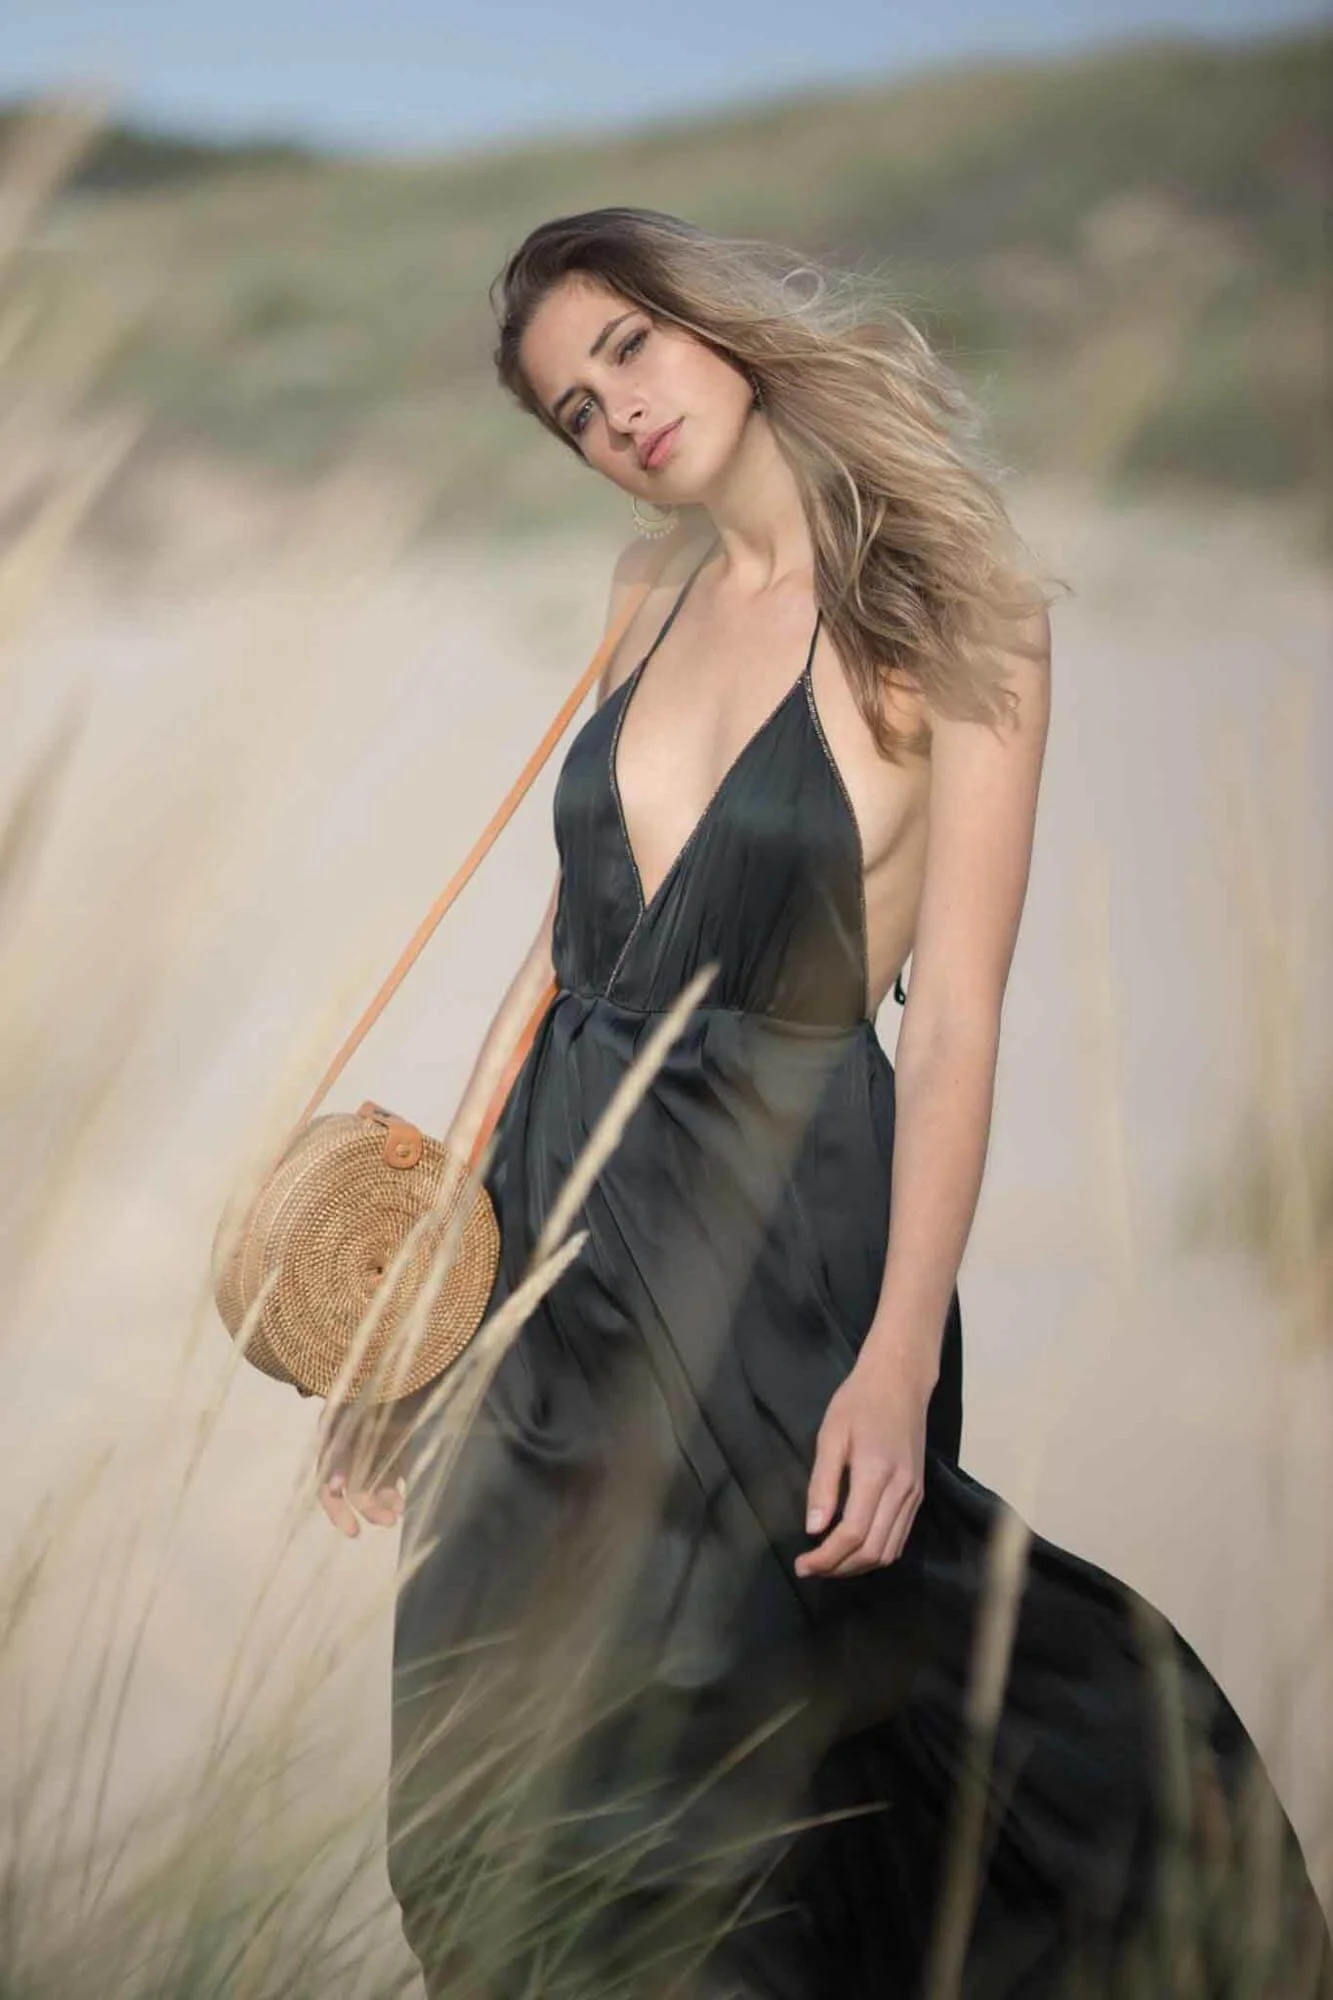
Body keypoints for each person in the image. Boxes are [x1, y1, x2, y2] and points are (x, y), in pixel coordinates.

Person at [317, 209, 1331, 1997]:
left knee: (799, 1715)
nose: (614, 414)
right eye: (571, 408)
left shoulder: (962, 618)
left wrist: (897, 1354)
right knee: (499, 1751)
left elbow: (954, 1031)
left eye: (627, 348)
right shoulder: (643, 596)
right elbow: (554, 963)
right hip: (560, 1238)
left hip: (787, 1254)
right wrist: (420, 1305)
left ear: (712, 323)